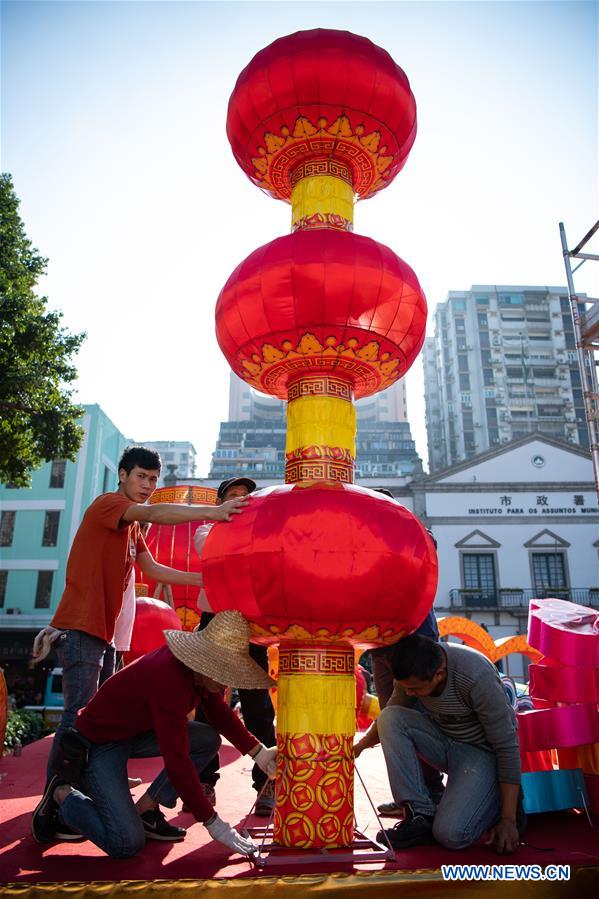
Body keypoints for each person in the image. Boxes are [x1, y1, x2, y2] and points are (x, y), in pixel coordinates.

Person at [32, 446, 249, 779]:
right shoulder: (110, 505)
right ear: (123, 475)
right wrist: (215, 513)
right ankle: (57, 796)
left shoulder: (132, 527)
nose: (148, 484)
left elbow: (155, 569)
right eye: (141, 477)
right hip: (81, 626)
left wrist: (209, 579)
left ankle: (100, 778)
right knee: (77, 718)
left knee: (102, 716)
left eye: (153, 479)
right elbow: (157, 514)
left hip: (106, 634)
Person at [31, 610, 277, 857]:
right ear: (208, 662)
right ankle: (63, 796)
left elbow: (221, 715)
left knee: (207, 739)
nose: (227, 684)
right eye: (225, 674)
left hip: (132, 732)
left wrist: (260, 753)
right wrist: (214, 823)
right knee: (126, 843)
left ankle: (146, 809)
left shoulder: (199, 670)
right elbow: (177, 761)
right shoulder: (170, 680)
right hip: (98, 744)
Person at [357, 634, 523, 854]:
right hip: (446, 742)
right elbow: (389, 717)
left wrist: (508, 820)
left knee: (451, 834)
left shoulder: (475, 675)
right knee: (390, 717)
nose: (409, 693)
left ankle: (499, 804)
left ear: (439, 674)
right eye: (405, 688)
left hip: (481, 754)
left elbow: (507, 747)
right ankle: (420, 815)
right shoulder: (415, 669)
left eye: (415, 689)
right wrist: (357, 749)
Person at [193, 476, 276, 818]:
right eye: (233, 496)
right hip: (215, 620)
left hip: (251, 625)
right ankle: (202, 781)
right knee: (207, 704)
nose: (241, 500)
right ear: (221, 503)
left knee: (258, 708)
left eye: (246, 496)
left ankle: (266, 784)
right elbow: (208, 549)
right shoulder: (206, 530)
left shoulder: (264, 535)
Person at [363, 492, 443, 815]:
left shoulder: (415, 537)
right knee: (391, 719)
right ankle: (408, 798)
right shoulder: (364, 546)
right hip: (381, 647)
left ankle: (432, 793)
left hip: (415, 643)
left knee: (420, 716)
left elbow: (429, 545)